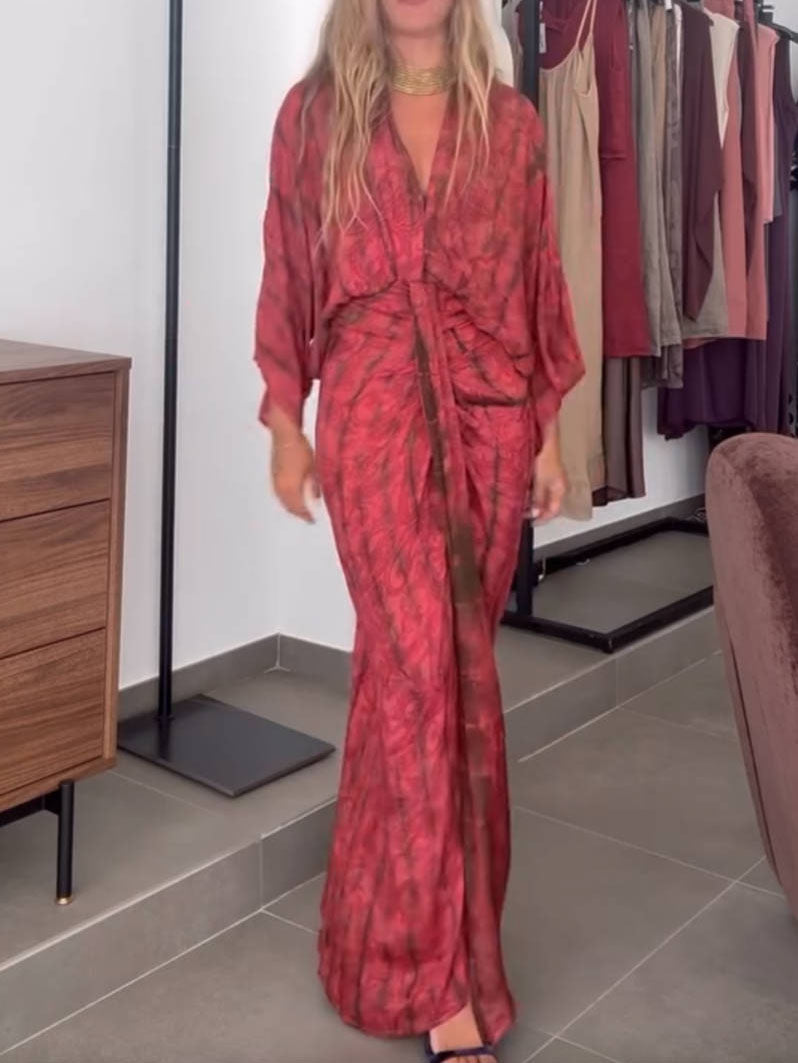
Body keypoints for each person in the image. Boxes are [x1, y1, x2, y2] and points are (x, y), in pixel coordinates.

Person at [254, 1, 584, 1059]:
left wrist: (547, 439)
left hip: (491, 421)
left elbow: (538, 282)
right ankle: (447, 985)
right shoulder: (313, 116)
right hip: (373, 414)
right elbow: (288, 272)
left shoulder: (513, 125)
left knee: (452, 676)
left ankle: (372, 941)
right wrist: (285, 424)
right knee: (415, 674)